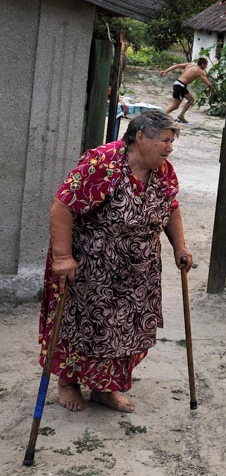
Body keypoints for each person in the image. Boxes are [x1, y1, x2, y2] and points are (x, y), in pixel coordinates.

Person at [39, 110, 195, 413]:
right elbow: (62, 206)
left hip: (138, 270)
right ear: (140, 137)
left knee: (123, 329)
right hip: (91, 268)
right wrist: (62, 257)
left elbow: (170, 206)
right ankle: (68, 383)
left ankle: (104, 388)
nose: (169, 148)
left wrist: (180, 246)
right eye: (165, 140)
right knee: (83, 325)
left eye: (171, 141)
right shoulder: (103, 164)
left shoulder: (163, 170)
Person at [159, 57, 215, 124]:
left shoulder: (190, 65)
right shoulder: (200, 71)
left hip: (178, 84)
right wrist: (214, 91)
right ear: (202, 64)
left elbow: (176, 66)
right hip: (180, 86)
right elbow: (208, 84)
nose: (206, 67)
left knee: (191, 100)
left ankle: (181, 116)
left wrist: (166, 71)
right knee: (175, 105)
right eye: (206, 65)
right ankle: (160, 116)